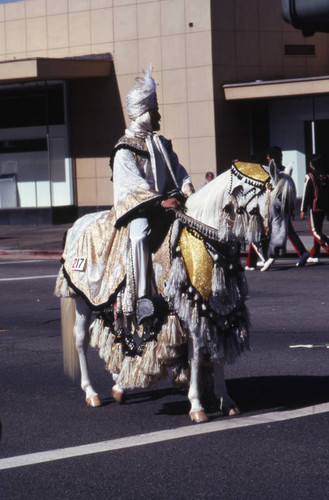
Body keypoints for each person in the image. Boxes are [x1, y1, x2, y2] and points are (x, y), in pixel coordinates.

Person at [111, 65, 194, 304]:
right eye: (155, 112)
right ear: (145, 114)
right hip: (139, 209)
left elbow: (179, 172)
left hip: (167, 202)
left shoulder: (161, 144)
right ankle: (141, 297)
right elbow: (132, 187)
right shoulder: (124, 149)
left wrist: (187, 191)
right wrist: (160, 202)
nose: (159, 117)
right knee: (140, 234)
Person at [259, 146, 309, 271]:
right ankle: (302, 252)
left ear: (269, 157)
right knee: (288, 230)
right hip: (284, 204)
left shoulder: (269, 171)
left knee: (264, 230)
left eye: (267, 156)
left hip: (273, 206)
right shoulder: (284, 170)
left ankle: (265, 257)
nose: (266, 157)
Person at [300, 153, 329, 263]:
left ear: (312, 164)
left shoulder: (310, 176)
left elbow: (306, 194)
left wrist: (302, 210)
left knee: (315, 232)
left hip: (314, 206)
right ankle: (314, 254)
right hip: (324, 207)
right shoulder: (326, 175)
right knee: (319, 230)